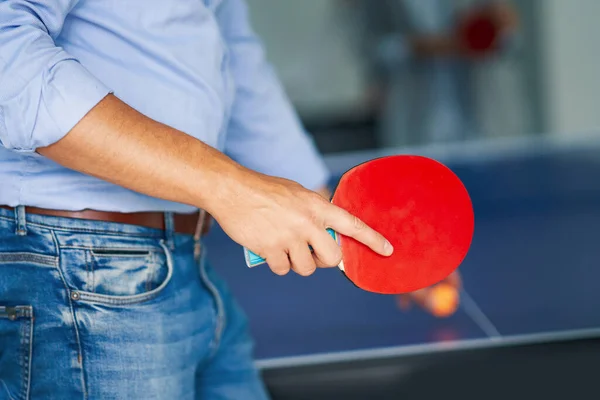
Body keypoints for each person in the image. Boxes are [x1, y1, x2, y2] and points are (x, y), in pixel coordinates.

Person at [0, 1, 451, 398]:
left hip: (186, 260)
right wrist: (227, 186)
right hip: (77, 270)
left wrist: (352, 227)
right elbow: (8, 54)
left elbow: (235, 59)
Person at [342, 0, 530, 148]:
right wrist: (426, 46)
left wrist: (504, 30)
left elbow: (510, 43)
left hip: (481, 129)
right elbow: (371, 49)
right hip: (415, 127)